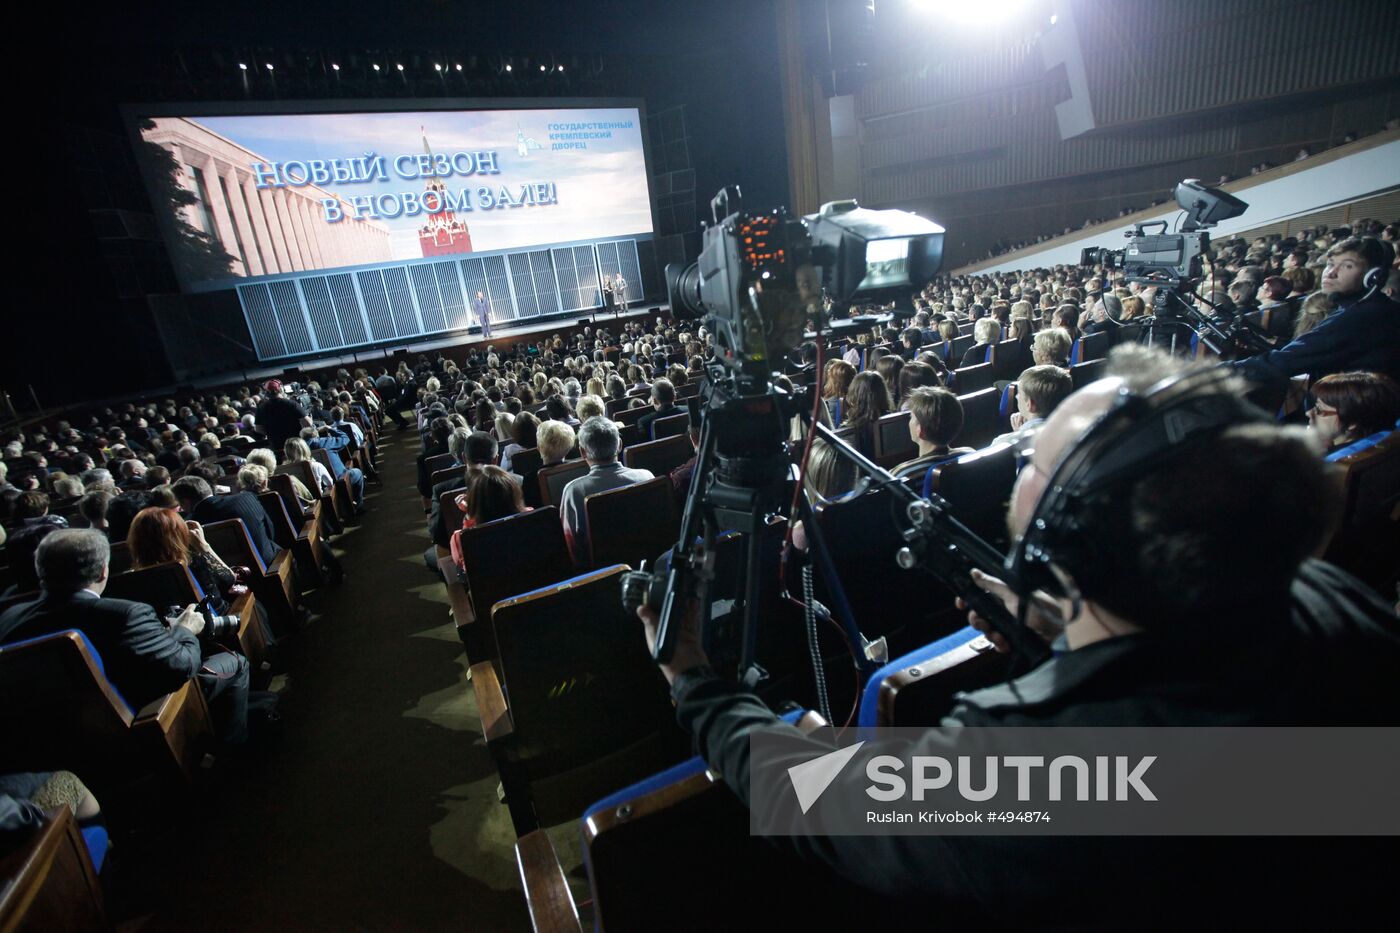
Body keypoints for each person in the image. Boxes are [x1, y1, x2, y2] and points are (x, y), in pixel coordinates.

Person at [635, 345, 1400, 926]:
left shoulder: (1040, 767)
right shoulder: (1324, 594)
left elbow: (811, 797)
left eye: (1035, 460)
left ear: (1077, 530)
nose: (1017, 465)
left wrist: (695, 678)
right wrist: (1064, 622)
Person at [0, 530, 251, 743]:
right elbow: (181, 667)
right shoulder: (125, 613)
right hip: (137, 722)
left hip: (48, 738)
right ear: (102, 572)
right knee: (236, 662)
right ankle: (233, 751)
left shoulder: (9, 618)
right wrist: (184, 630)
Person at [1235, 236, 1400, 384]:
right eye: (1330, 264)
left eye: (1347, 266)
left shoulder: (1360, 316)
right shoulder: (1375, 307)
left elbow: (1286, 361)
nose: (1331, 273)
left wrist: (1216, 372)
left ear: (1372, 277)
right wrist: (1262, 344)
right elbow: (1315, 350)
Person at [559, 417, 653, 565]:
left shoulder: (574, 491)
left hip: (603, 571)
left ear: (582, 452)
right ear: (620, 445)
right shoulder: (646, 476)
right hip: (649, 558)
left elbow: (573, 546)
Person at [170, 476, 280, 568]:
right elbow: (270, 529)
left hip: (236, 578)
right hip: (273, 562)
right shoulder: (247, 498)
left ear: (185, 501)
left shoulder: (191, 525)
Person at [890, 387, 974, 481]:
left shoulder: (902, 473)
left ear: (920, 431)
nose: (909, 421)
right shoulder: (970, 454)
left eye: (911, 417)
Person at [1306, 371, 1400, 453]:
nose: (1309, 413)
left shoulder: (1333, 463)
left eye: (1319, 409)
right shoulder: (1389, 439)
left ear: (1352, 422)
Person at [992, 364, 1074, 453]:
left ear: (1030, 404)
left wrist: (1018, 434)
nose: (1017, 396)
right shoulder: (1077, 432)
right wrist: (1021, 430)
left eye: (1019, 394)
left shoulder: (1002, 442)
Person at [255, 380, 311, 452]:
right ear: (281, 389)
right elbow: (307, 423)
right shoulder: (292, 404)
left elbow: (258, 429)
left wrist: (273, 433)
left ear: (266, 393)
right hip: (296, 444)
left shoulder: (261, 408)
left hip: (276, 446)